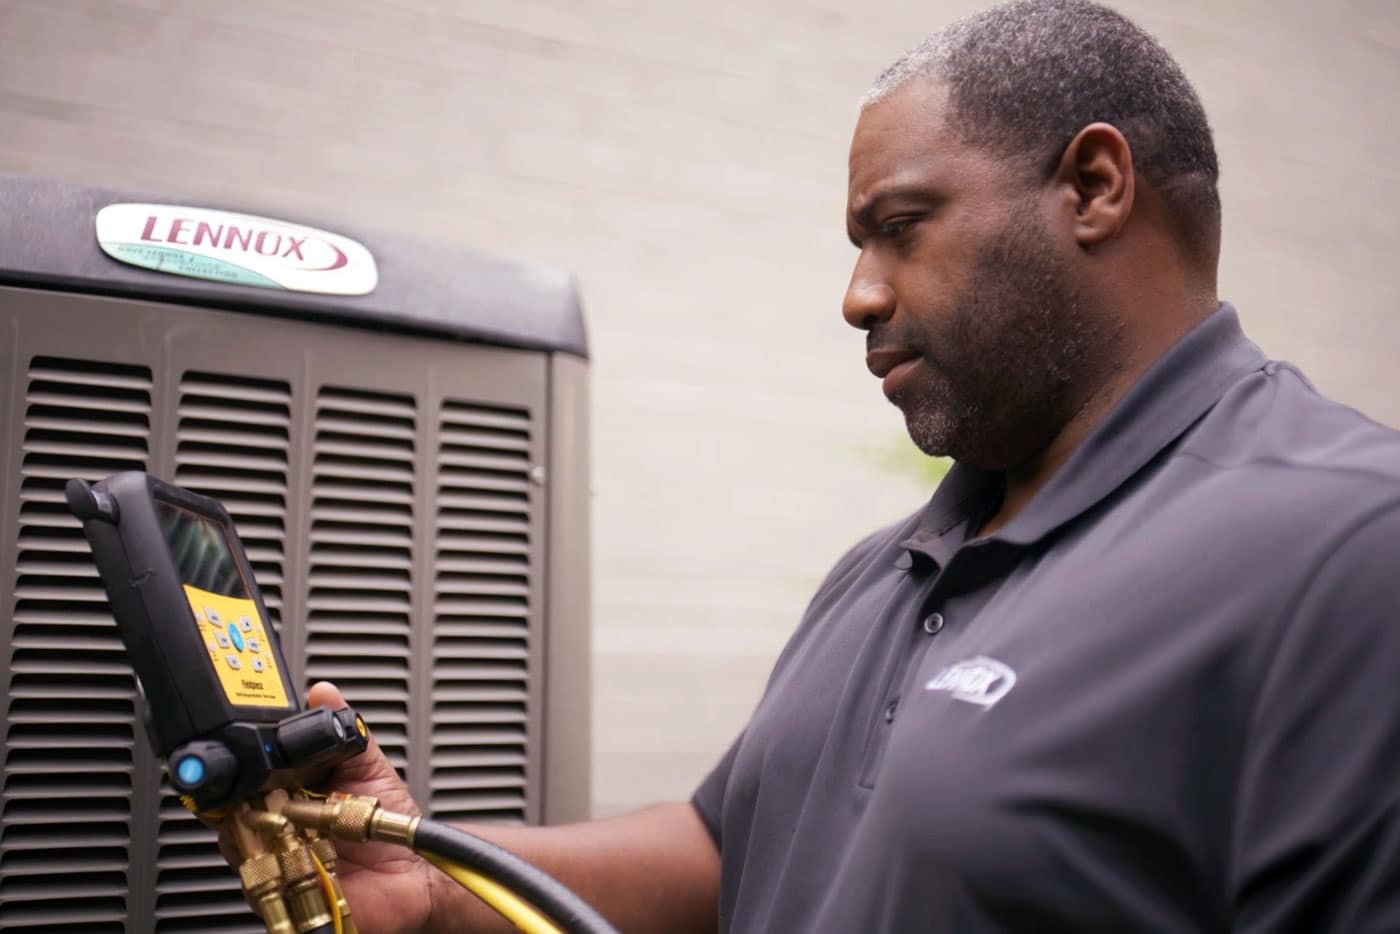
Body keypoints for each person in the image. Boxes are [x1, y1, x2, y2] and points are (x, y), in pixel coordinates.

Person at [226, 1, 1400, 930]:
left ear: (1091, 187)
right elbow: (729, 853)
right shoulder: (888, 570)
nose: (857, 297)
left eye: (900, 225)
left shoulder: (1345, 549)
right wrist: (429, 874)